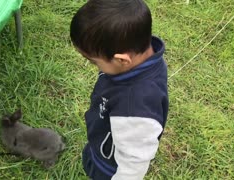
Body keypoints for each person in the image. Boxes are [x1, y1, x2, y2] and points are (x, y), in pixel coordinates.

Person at [70, 0, 168, 179]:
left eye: (94, 61)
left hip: (108, 169)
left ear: (122, 60)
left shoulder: (135, 110)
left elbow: (134, 164)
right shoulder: (146, 57)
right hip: (103, 140)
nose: (95, 67)